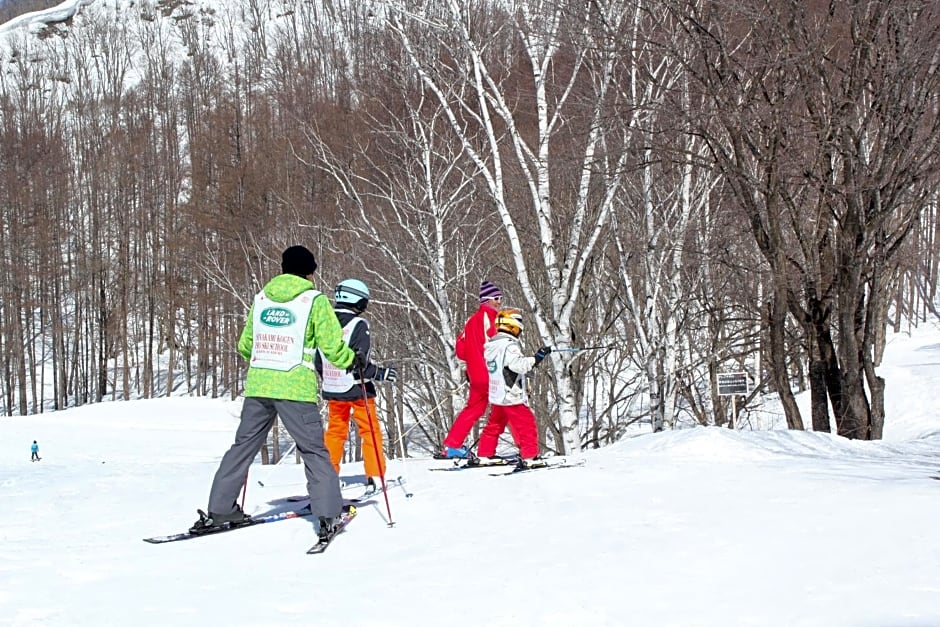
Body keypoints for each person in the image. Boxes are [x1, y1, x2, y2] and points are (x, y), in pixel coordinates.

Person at [190, 245, 361, 541]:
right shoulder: (314, 300)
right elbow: (332, 347)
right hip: (294, 386)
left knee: (242, 447)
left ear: (282, 268)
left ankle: (220, 510)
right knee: (313, 451)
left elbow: (245, 345)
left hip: (258, 385)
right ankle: (328, 512)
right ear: (310, 272)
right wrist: (351, 361)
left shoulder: (262, 298)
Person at [316, 279, 398, 494]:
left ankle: (329, 476)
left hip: (333, 386)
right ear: (358, 301)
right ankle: (375, 475)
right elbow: (359, 362)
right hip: (357, 388)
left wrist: (327, 377)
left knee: (335, 431)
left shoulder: (325, 322)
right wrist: (380, 374)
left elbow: (318, 358)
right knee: (369, 430)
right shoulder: (358, 325)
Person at [477, 309, 551, 467]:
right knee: (526, 423)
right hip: (511, 393)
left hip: (497, 393)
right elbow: (518, 366)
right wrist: (537, 357)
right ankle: (530, 457)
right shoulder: (510, 346)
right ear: (513, 326)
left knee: (495, 424)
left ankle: (485, 454)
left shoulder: (491, 345)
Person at [438, 280, 503, 459]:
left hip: (475, 376)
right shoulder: (492, 319)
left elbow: (460, 348)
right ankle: (524, 449)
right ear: (486, 301)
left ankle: (452, 445)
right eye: (496, 298)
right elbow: (499, 344)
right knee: (508, 406)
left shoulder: (471, 321)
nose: (499, 302)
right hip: (492, 373)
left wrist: (469, 367)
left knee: (473, 409)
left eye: (500, 298)